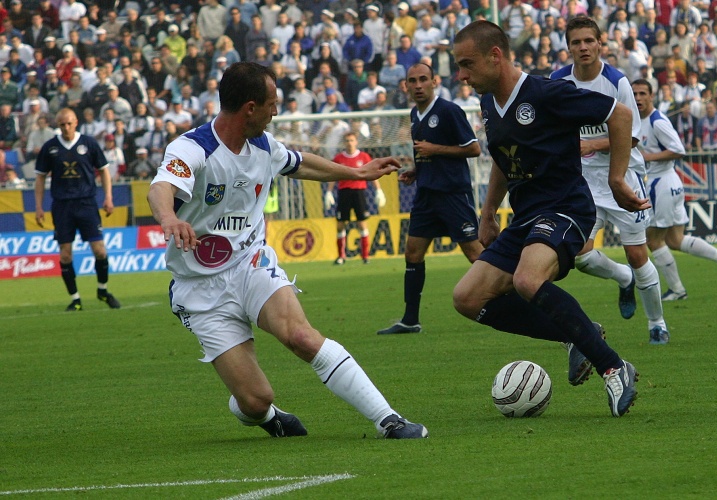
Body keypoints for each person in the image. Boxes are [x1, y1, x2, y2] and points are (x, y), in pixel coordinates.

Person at [146, 62, 427, 439]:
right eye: (272, 103)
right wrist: (168, 218)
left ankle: (388, 420)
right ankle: (267, 416)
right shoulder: (193, 148)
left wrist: (358, 173)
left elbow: (301, 163)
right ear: (250, 108)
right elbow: (161, 187)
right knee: (255, 400)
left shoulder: (264, 146)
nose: (276, 111)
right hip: (199, 288)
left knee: (302, 337)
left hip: (250, 263)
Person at [450, 21, 641, 417]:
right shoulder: (489, 102)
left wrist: (617, 179)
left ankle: (613, 367)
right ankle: (578, 335)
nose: (461, 75)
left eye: (467, 64)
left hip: (565, 207)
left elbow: (620, 116)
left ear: (495, 56)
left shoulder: (546, 93)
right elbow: (503, 158)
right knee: (467, 298)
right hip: (526, 217)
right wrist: (488, 212)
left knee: (527, 279)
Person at [552, 17, 669, 345]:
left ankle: (657, 323)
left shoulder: (617, 82)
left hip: (623, 175)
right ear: (568, 47)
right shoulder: (558, 81)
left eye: (589, 40)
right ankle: (623, 278)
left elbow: (632, 137)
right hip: (584, 181)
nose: (583, 47)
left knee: (637, 254)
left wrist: (591, 144)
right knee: (580, 255)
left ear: (600, 44)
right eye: (576, 42)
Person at [376, 63, 482, 335]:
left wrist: (435, 149)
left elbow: (473, 148)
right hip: (426, 194)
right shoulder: (415, 114)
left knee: (475, 253)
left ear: (434, 82)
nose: (418, 85)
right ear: (406, 86)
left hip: (452, 193)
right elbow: (426, 154)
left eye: (423, 79)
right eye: (412, 81)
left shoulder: (449, 111)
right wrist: (416, 170)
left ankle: (514, 296)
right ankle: (410, 320)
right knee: (412, 252)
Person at [632, 79, 717, 303]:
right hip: (670, 182)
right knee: (675, 239)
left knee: (653, 240)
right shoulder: (638, 120)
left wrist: (648, 157)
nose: (638, 98)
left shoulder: (657, 121)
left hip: (661, 184)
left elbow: (679, 150)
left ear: (652, 96)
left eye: (643, 93)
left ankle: (677, 290)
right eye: (635, 94)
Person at [33, 108, 121, 311]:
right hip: (62, 205)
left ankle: (103, 291)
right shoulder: (50, 147)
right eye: (62, 124)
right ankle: (76, 299)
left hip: (87, 203)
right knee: (65, 255)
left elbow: (104, 170)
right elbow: (40, 177)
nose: (66, 128)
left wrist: (108, 197)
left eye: (69, 123)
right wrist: (38, 206)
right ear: (57, 125)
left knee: (100, 250)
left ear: (76, 123)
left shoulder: (89, 143)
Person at [325, 132, 386, 265]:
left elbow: (372, 174)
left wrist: (378, 190)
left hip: (359, 192)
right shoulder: (339, 158)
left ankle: (365, 256)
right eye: (347, 141)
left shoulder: (364, 157)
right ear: (344, 143)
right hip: (344, 192)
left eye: (352, 140)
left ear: (356, 142)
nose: (349, 143)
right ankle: (341, 256)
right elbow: (333, 175)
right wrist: (329, 192)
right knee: (340, 224)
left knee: (362, 223)